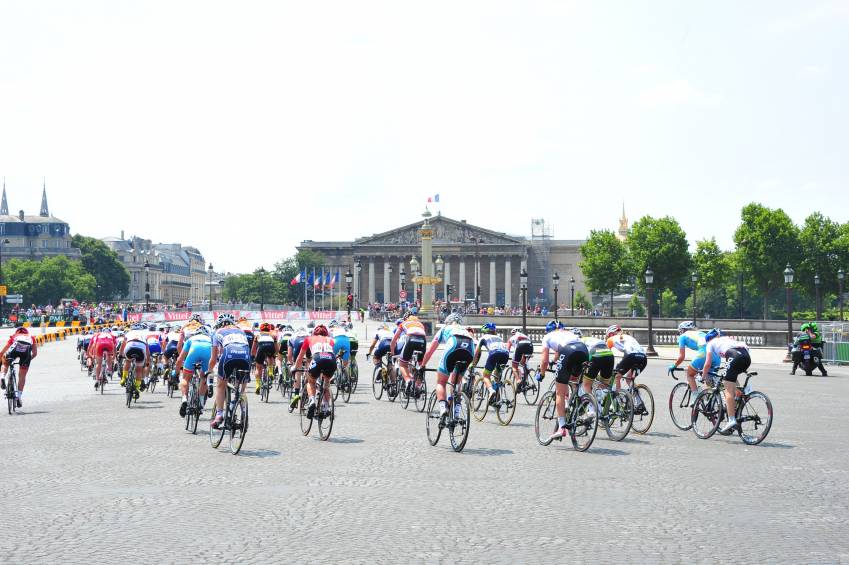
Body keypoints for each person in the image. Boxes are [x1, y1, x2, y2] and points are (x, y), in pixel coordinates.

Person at [539, 320, 589, 440]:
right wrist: (554, 361)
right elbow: (559, 352)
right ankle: (581, 401)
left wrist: (541, 374)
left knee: (559, 392)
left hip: (568, 351)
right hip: (583, 349)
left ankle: (562, 428)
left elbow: (544, 361)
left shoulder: (547, 337)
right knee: (573, 380)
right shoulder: (567, 333)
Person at [420, 313, 475, 418]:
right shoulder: (465, 330)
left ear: (448, 321)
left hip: (454, 344)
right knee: (457, 382)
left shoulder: (445, 328)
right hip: (469, 348)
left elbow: (430, 350)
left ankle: (443, 408)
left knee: (441, 382)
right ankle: (457, 411)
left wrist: (422, 365)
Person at [702, 329, 751, 433]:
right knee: (732, 378)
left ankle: (731, 419)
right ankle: (742, 394)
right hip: (746, 357)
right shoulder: (726, 339)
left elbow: (707, 363)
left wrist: (703, 375)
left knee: (727, 388)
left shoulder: (710, 344)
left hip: (735, 356)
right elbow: (728, 362)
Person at [209, 314, 252, 428]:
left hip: (229, 354)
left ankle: (219, 415)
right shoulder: (241, 331)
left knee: (220, 385)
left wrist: (208, 373)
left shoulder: (217, 332)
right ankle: (239, 402)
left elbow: (213, 359)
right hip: (245, 355)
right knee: (241, 388)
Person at [670, 321, 720, 404]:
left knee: (689, 374)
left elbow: (681, 357)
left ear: (682, 330)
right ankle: (712, 404)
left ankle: (695, 396)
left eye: (680, 331)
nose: (680, 333)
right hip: (716, 357)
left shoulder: (683, 336)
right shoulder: (700, 333)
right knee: (709, 380)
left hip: (704, 354)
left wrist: (674, 365)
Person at [293, 324, 336, 419]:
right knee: (326, 383)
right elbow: (333, 353)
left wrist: (295, 368)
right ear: (326, 333)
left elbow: (300, 357)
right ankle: (326, 407)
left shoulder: (309, 338)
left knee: (311, 381)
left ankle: (312, 400)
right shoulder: (330, 340)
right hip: (331, 359)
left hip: (317, 358)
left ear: (314, 333)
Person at [175, 325, 213, 417]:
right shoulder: (210, 339)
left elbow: (180, 359)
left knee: (185, 379)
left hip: (194, 350)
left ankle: (184, 399)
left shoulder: (191, 339)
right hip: (208, 350)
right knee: (204, 378)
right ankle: (200, 402)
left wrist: (176, 372)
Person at [389, 313, 428, 395]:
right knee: (421, 366)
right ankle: (418, 386)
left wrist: (392, 352)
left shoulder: (404, 323)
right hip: (422, 341)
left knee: (402, 364)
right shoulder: (420, 324)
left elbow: (394, 340)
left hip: (411, 339)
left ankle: (408, 380)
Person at [471, 322, 510, 403]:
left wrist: (473, 363)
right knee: (497, 376)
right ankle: (497, 397)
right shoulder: (499, 338)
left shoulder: (483, 337)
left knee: (486, 375)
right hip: (505, 354)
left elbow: (477, 352)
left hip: (494, 353)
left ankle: (491, 390)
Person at [1, 327, 38, 407]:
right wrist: (26, 361)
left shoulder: (15, 336)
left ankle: (2, 377)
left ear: (17, 332)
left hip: (15, 347)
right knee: (22, 376)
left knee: (6, 362)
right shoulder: (31, 337)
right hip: (26, 351)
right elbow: (34, 353)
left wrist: (2, 359)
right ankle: (19, 396)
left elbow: (4, 350)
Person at [605, 324, 647, 391]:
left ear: (610, 334)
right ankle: (638, 399)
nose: (607, 338)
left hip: (632, 356)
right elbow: (627, 354)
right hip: (643, 358)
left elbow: (606, 356)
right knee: (629, 379)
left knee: (617, 377)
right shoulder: (628, 337)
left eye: (607, 336)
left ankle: (618, 397)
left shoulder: (610, 339)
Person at [120, 324, 150, 399]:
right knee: (139, 370)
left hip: (130, 346)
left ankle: (123, 378)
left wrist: (120, 354)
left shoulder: (128, 333)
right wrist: (147, 361)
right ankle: (136, 388)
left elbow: (123, 345)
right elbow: (147, 351)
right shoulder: (144, 334)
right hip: (141, 348)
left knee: (128, 361)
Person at [251, 322, 279, 394]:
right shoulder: (273, 335)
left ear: (261, 329)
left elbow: (254, 348)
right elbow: (276, 348)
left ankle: (257, 385)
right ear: (269, 329)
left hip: (261, 347)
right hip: (270, 346)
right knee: (270, 357)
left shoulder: (257, 335)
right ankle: (270, 372)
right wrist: (275, 355)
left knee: (258, 368)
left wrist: (253, 356)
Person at [287, 327, 310, 412]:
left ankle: (296, 394)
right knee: (309, 366)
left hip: (297, 343)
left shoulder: (292, 336)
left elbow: (289, 355)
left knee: (297, 369)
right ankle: (308, 386)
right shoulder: (308, 334)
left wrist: (291, 364)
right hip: (308, 342)